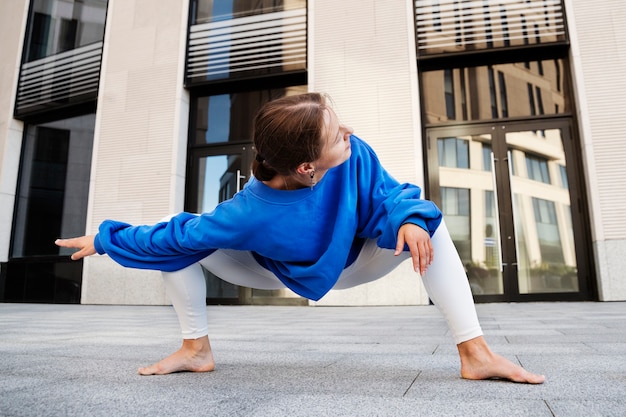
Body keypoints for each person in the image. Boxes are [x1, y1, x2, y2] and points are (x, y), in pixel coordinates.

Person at [55, 93, 545, 383]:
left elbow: (390, 195)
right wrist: (106, 239)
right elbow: (178, 235)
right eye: (336, 133)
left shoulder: (353, 153)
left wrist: (410, 219)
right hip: (270, 271)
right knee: (175, 236)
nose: (348, 133)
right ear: (307, 165)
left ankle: (475, 354)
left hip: (354, 262)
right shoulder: (249, 211)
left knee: (426, 226)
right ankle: (195, 348)